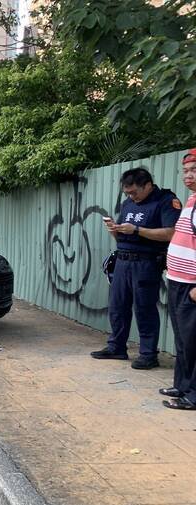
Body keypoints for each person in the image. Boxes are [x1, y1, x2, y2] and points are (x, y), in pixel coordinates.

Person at [91, 167, 181, 369]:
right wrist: (115, 230)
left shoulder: (165, 201)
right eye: (128, 193)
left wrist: (137, 230)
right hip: (122, 261)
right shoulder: (128, 204)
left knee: (144, 308)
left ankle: (148, 354)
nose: (131, 196)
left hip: (146, 262)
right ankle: (116, 347)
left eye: (134, 192)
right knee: (117, 305)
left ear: (148, 185)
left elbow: (171, 233)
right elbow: (123, 236)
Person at [161, 149, 196, 410]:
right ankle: (182, 385)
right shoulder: (192, 200)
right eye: (185, 170)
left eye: (194, 170)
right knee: (182, 339)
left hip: (191, 286)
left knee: (193, 340)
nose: (188, 175)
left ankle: (193, 394)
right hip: (177, 279)